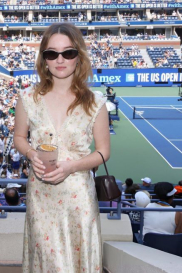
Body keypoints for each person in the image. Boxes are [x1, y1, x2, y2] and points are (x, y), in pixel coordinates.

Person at [14, 23, 110, 272]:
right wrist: (31, 153)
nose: (60, 60)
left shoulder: (96, 103)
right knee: (46, 258)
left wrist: (71, 166)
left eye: (68, 52)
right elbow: (19, 138)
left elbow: (103, 152)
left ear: (78, 56)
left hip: (78, 196)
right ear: (43, 59)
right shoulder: (27, 99)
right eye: (51, 53)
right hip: (41, 194)